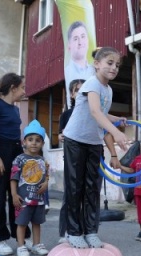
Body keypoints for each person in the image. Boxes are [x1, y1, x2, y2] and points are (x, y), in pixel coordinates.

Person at [62, 46, 128, 248]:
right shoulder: (92, 84)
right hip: (75, 140)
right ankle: (73, 232)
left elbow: (103, 113)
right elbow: (94, 112)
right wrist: (115, 133)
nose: (114, 67)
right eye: (109, 63)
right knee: (75, 188)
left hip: (94, 143)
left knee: (92, 188)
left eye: (117, 65)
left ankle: (90, 231)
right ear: (96, 64)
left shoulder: (108, 89)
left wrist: (117, 120)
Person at [0, 72, 29, 256]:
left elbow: (15, 134)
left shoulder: (15, 109)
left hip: (16, 150)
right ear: (13, 88)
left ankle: (21, 237)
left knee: (17, 194)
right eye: (22, 87)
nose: (24, 90)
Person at [10, 120, 50, 256]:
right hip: (23, 198)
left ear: (42, 144)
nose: (34, 143)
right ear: (24, 142)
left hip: (38, 199)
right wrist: (14, 195)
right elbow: (13, 178)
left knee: (37, 222)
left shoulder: (42, 160)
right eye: (30, 139)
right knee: (21, 222)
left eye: (38, 140)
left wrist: (46, 184)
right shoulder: (19, 159)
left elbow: (46, 176)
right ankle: (21, 246)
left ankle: (36, 244)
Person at [56, 79, 84, 243]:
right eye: (77, 90)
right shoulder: (66, 115)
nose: (81, 93)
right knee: (69, 195)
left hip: (89, 158)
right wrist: (61, 136)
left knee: (87, 196)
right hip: (71, 159)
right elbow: (62, 135)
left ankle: (86, 230)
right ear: (72, 94)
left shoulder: (94, 112)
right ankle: (65, 231)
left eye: (84, 89)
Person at [64, 21, 95, 95]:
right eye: (75, 39)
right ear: (69, 45)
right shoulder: (67, 71)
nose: (80, 42)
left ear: (87, 40)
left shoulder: (94, 71)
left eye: (83, 36)